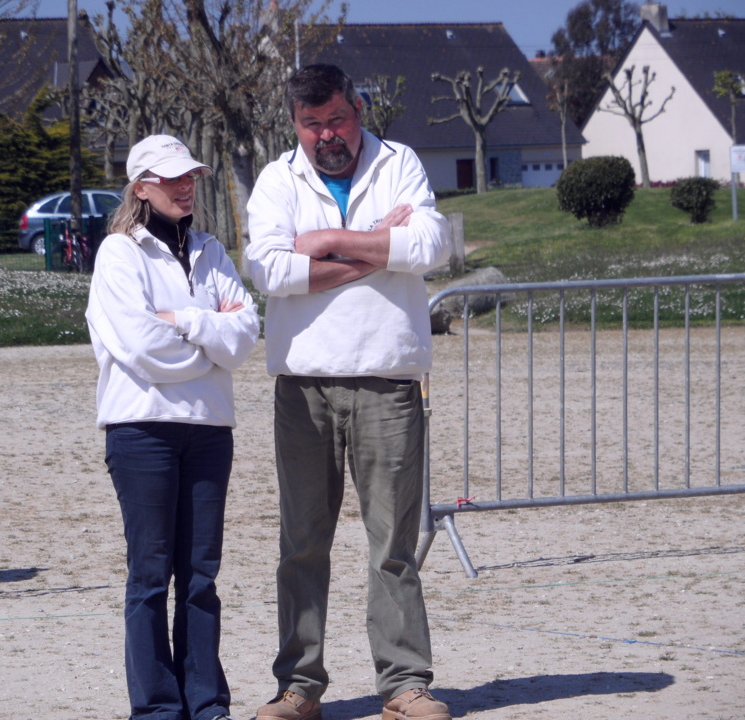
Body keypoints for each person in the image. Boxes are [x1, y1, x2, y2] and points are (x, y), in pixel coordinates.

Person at [245, 64, 453, 720]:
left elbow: (429, 244)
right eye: (311, 125)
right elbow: (270, 268)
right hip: (302, 384)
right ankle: (298, 688)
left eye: (336, 119)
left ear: (356, 108)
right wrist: (377, 251)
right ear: (294, 125)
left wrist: (331, 242)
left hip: (389, 380)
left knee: (392, 543)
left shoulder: (400, 163)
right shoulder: (278, 178)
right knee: (302, 542)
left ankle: (404, 685)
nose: (326, 135)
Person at [86, 135, 259, 720]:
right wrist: (210, 337)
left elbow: (245, 338)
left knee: (201, 576)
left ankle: (207, 703)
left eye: (191, 175)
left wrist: (185, 321)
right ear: (142, 187)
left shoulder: (212, 250)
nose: (187, 184)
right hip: (141, 432)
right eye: (172, 178)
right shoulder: (117, 255)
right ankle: (157, 708)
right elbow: (142, 348)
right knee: (151, 575)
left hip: (210, 429)